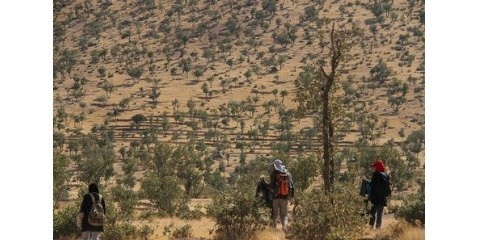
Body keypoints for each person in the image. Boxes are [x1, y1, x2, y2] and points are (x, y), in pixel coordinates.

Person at [269, 159, 294, 231]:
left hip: (275, 198)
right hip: (285, 197)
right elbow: (292, 186)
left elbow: (272, 187)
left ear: (274, 165)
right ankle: (285, 228)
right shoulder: (288, 174)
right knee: (284, 215)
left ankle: (273, 230)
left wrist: (271, 196)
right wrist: (292, 196)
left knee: (274, 215)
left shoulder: (274, 174)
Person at [368, 160, 391, 229]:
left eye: (375, 166)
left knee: (372, 213)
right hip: (382, 198)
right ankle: (378, 228)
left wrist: (367, 182)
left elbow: (372, 184)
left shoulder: (375, 174)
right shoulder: (385, 175)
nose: (374, 168)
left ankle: (370, 227)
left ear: (377, 167)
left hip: (375, 198)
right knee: (379, 214)